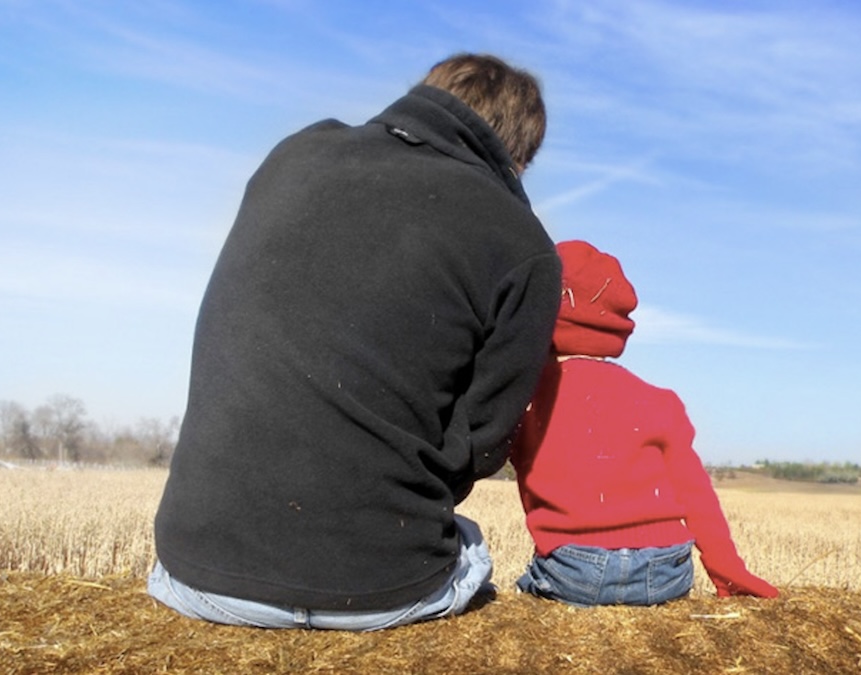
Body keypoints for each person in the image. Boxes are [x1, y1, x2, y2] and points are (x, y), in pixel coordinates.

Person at [149, 53, 562, 630]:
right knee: (470, 545)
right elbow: (481, 445)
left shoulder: (294, 154)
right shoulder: (526, 246)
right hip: (379, 589)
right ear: (517, 158)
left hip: (191, 573)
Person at [510, 240, 779, 607]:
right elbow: (695, 494)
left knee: (517, 591)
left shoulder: (528, 399)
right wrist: (726, 568)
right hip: (668, 568)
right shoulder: (659, 401)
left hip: (576, 569)